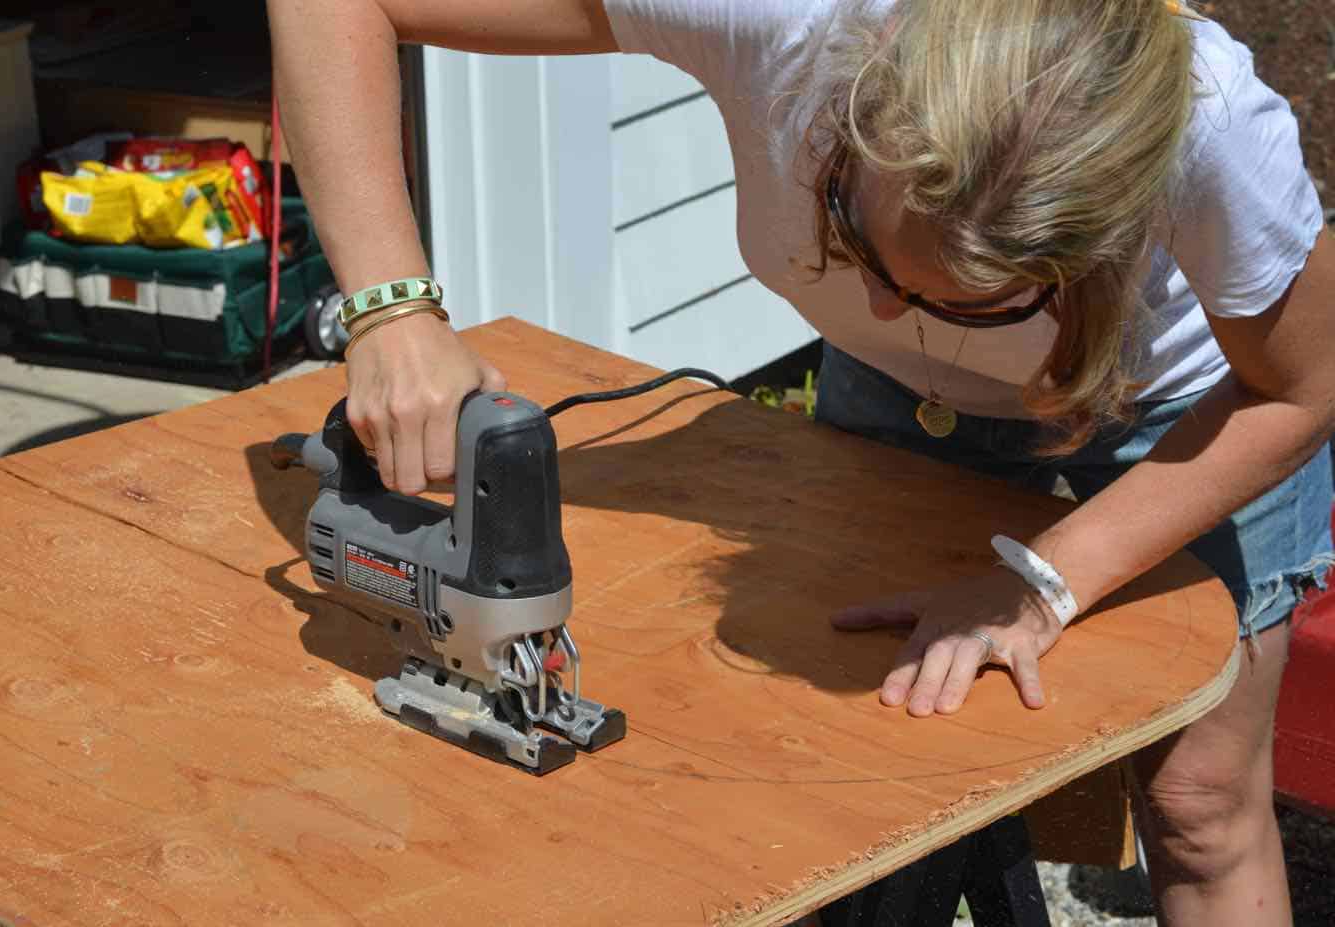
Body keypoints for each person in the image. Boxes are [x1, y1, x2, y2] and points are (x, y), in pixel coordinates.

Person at [267, 0, 1334, 923]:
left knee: (1197, 802)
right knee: (844, 774)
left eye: (941, 299)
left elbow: (1305, 385)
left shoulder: (1210, 128)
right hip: (895, 405)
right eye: (850, 230)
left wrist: (1045, 582)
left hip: (1186, 411)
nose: (872, 307)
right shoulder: (780, 14)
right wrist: (389, 304)